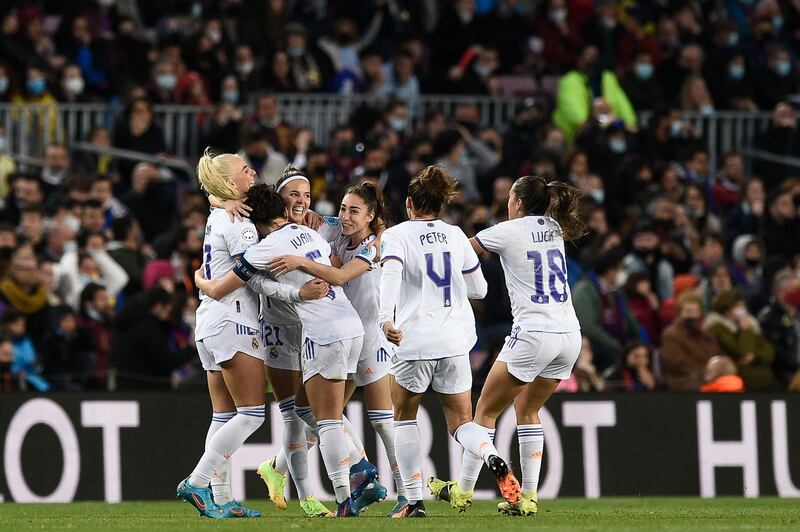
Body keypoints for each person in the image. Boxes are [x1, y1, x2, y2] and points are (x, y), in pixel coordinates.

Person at [195, 183, 367, 518]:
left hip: (313, 328)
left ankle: (346, 482)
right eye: (294, 196)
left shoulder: (287, 238)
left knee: (317, 415)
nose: (301, 201)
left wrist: (201, 280)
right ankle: (307, 493)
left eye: (306, 195)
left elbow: (230, 284)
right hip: (316, 328)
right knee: (300, 414)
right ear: (283, 207)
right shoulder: (296, 236)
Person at [429, 175, 584, 517]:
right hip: (569, 335)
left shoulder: (507, 230)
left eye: (511, 196)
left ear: (518, 202)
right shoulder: (555, 229)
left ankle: (463, 491)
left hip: (533, 334)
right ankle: (528, 497)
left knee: (484, 411)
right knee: (528, 411)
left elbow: (458, 252)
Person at [266, 181, 406, 513]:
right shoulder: (333, 230)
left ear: (371, 216)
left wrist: (298, 262)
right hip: (337, 336)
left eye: (353, 211)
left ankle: (406, 495)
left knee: (382, 422)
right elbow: (305, 216)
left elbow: (340, 277)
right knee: (322, 416)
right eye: (343, 208)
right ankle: (288, 471)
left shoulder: (376, 247)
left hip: (370, 340)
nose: (344, 216)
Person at [378, 165, 488, 518]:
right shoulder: (456, 235)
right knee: (461, 422)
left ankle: (413, 501)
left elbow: (391, 276)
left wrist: (386, 319)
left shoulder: (397, 236)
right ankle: (491, 454)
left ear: (409, 203)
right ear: (440, 204)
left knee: (404, 416)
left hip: (414, 341)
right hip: (455, 341)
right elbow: (480, 289)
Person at [176, 149, 266, 519]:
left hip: (209, 324)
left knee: (223, 415)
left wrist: (203, 283)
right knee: (253, 413)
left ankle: (223, 497)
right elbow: (254, 273)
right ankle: (197, 482)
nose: (253, 172)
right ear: (231, 182)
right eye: (246, 169)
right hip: (234, 320)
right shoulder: (241, 224)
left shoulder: (217, 214)